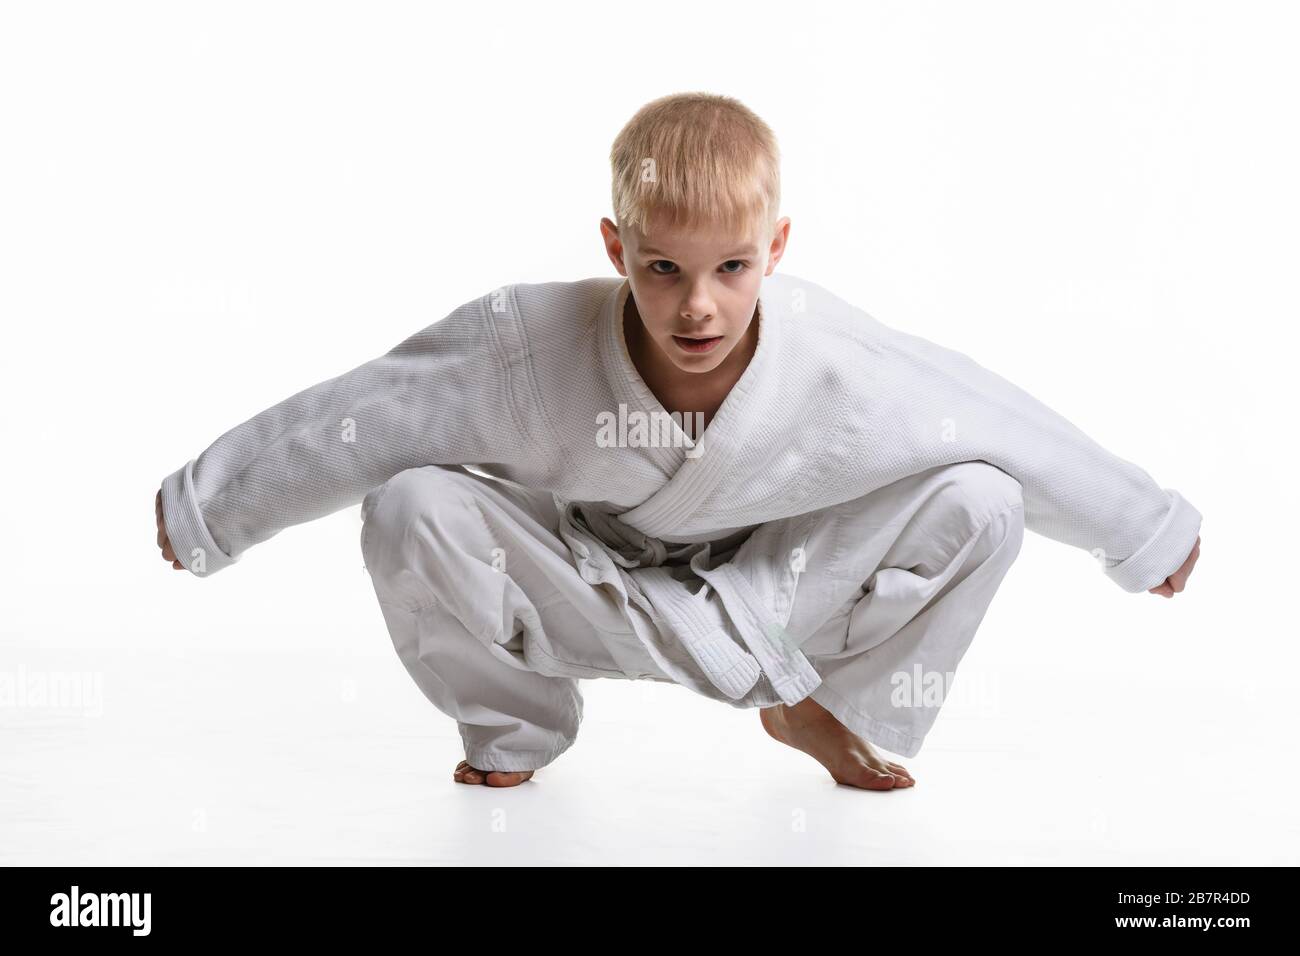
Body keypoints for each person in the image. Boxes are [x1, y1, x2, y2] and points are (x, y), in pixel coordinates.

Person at [155, 92, 1201, 791]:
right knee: (407, 501)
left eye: (732, 269)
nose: (698, 307)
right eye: (663, 270)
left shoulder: (837, 360)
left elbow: (997, 419)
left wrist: (1139, 527)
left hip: (780, 597)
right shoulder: (530, 345)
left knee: (984, 495)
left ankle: (814, 707)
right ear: (616, 247)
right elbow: (370, 410)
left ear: (774, 252)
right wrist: (214, 504)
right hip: (582, 587)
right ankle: (516, 723)